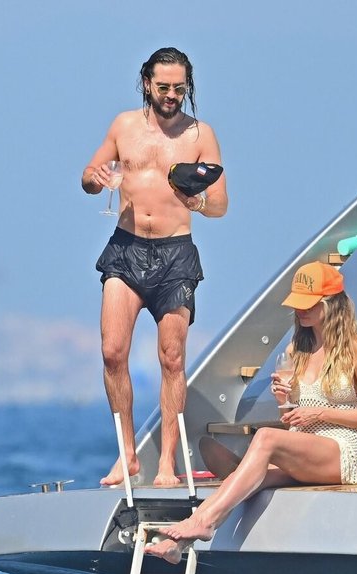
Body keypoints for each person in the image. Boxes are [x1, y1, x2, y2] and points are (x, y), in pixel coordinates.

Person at [145, 261, 357, 563]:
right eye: (297, 303)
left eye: (308, 304)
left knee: (265, 439)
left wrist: (320, 414)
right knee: (242, 478)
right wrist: (284, 399)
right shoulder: (296, 350)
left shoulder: (356, 347)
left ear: (331, 303)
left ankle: (203, 524)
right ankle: (178, 544)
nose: (299, 310)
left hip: (339, 451)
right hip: (303, 449)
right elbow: (290, 418)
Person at [81, 47, 228, 487]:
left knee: (172, 358)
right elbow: (89, 175)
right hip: (125, 248)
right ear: (147, 83)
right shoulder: (124, 126)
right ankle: (127, 454)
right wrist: (96, 180)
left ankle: (166, 462)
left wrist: (195, 202)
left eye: (179, 88)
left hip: (175, 254)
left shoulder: (200, 134)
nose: (171, 95)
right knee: (112, 352)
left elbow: (219, 205)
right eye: (163, 87)